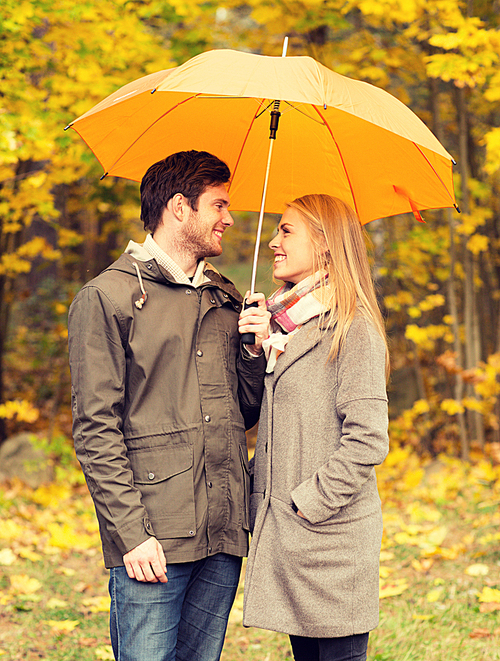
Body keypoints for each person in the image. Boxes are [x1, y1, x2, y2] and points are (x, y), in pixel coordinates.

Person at [68, 150, 270, 661]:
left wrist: (251, 352)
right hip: (152, 538)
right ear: (180, 208)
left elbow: (243, 414)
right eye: (218, 205)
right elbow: (96, 431)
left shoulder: (225, 300)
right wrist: (131, 535)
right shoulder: (107, 297)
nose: (228, 218)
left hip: (223, 531)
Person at [241, 194, 390, 661]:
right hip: (292, 537)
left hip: (331, 539)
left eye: (287, 231)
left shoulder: (353, 327)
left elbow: (368, 439)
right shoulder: (288, 326)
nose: (272, 242)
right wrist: (257, 349)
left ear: (326, 245)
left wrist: (309, 503)